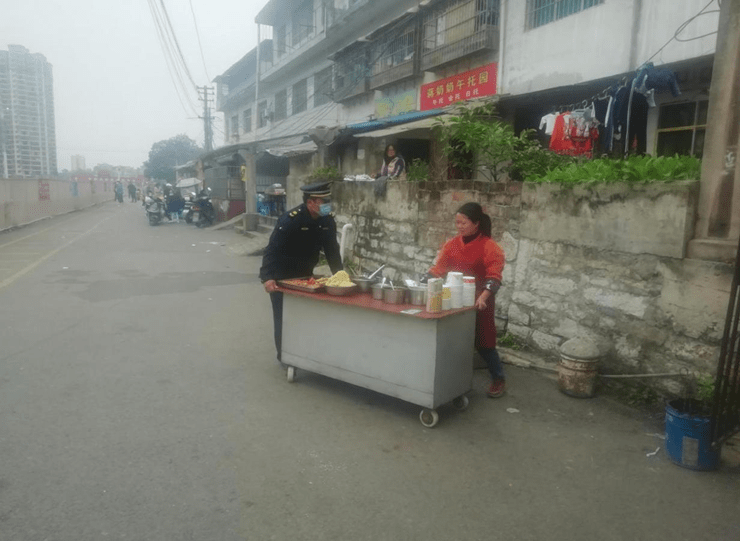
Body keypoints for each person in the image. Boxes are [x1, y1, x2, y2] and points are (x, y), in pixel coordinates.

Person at [259, 181, 343, 367]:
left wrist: (340, 276)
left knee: (303, 317)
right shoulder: (291, 219)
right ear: (311, 203)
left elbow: (332, 250)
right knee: (283, 318)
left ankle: (302, 353)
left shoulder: (326, 220)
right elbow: (272, 248)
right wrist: (267, 277)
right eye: (323, 201)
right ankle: (285, 357)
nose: (327, 204)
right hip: (282, 276)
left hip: (305, 276)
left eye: (328, 200)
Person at [427, 202, 507, 397]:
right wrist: (426, 281)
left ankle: (498, 378)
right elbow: (438, 268)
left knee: (485, 342)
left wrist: (484, 297)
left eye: (464, 223)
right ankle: (453, 380)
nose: (460, 226)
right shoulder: (452, 244)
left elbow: (494, 277)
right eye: (457, 223)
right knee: (454, 339)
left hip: (481, 301)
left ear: (476, 224)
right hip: (454, 300)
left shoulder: (489, 246)